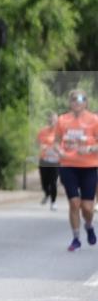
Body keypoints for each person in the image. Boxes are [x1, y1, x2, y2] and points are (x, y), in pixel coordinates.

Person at [54, 90, 97, 251]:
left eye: (80, 99)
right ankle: (76, 239)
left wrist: (91, 148)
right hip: (68, 166)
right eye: (74, 99)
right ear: (69, 102)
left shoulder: (94, 120)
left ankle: (88, 226)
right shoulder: (62, 120)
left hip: (89, 167)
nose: (77, 102)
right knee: (74, 203)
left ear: (86, 102)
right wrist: (59, 151)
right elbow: (57, 141)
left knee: (87, 207)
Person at [37, 112, 61, 211]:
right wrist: (42, 146)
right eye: (50, 120)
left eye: (54, 120)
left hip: (56, 160)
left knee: (53, 182)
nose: (52, 122)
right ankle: (47, 193)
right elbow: (39, 143)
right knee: (44, 182)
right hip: (44, 159)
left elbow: (64, 145)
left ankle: (53, 202)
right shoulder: (42, 131)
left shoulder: (60, 132)